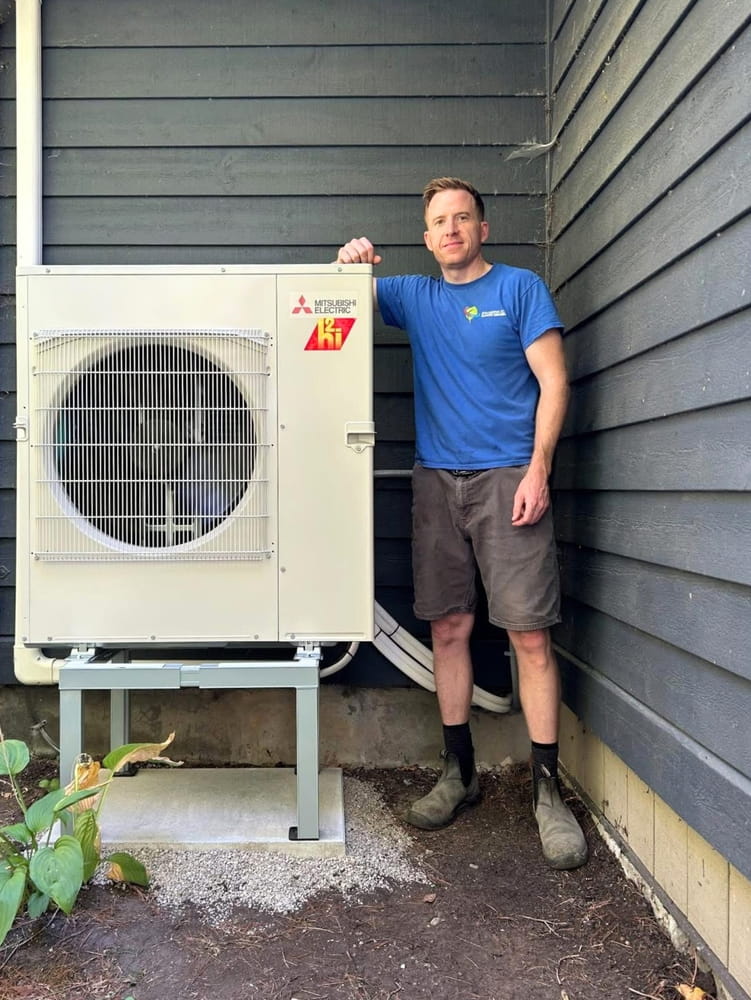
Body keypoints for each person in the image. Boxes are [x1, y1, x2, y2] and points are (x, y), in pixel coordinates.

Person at [336, 177, 587, 870]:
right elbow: (331, 305)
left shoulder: (518, 289)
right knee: (447, 627)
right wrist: (348, 261)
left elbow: (554, 382)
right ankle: (459, 773)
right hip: (434, 480)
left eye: (462, 218)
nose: (450, 230)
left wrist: (538, 470)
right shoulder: (412, 296)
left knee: (528, 635)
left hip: (510, 478)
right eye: (438, 222)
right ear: (425, 238)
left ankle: (546, 792)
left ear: (482, 229)